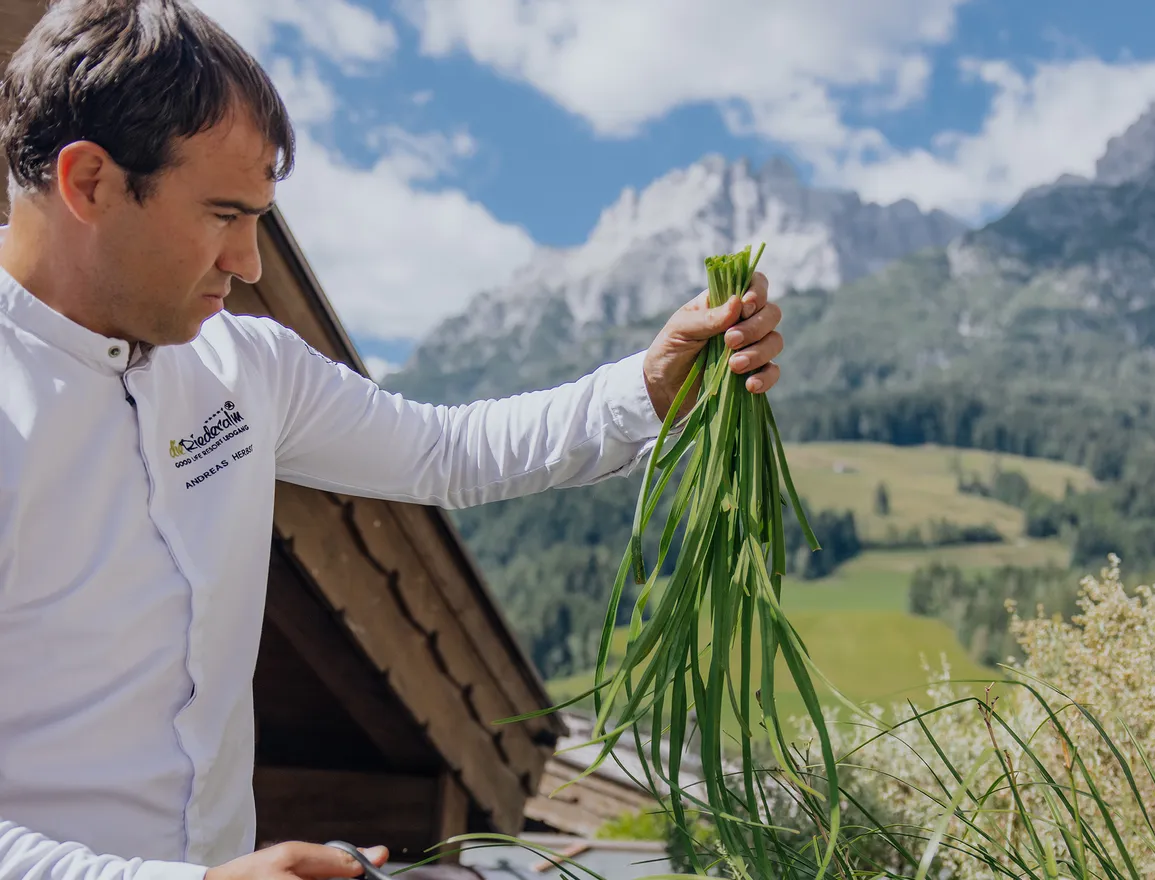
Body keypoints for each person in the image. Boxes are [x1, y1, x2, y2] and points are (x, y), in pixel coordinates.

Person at [0, 1, 785, 879]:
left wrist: (648, 384)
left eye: (260, 217)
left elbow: (444, 452)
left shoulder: (243, 364)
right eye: (224, 214)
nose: (249, 262)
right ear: (89, 182)